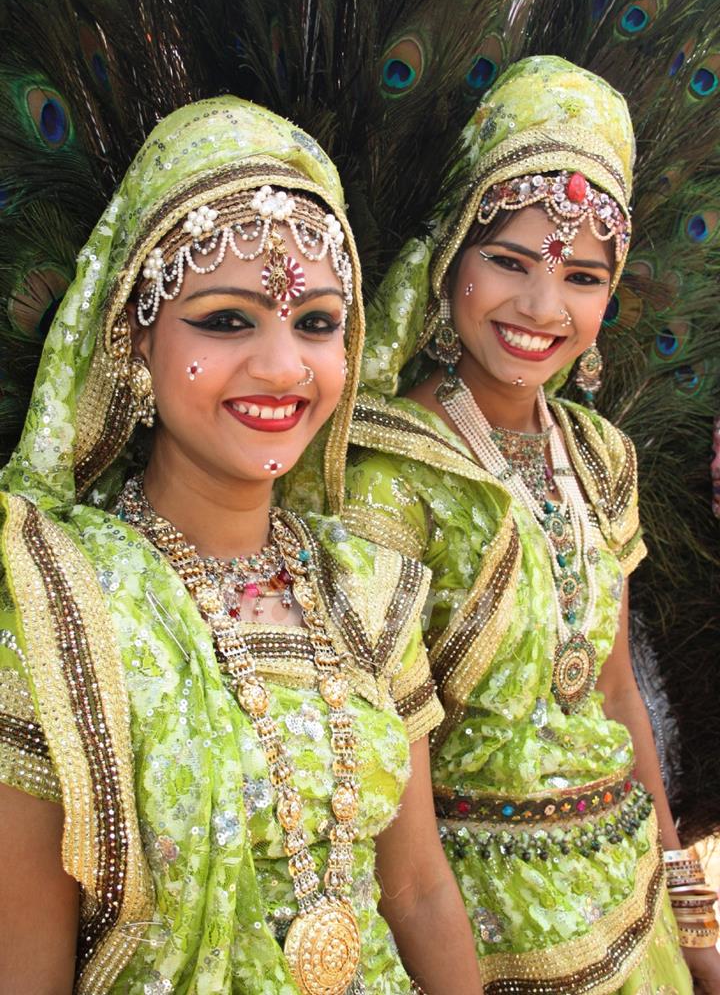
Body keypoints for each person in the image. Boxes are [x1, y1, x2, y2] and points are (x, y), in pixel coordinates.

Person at [0, 97, 483, 994]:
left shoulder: (371, 592)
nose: (282, 367)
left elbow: (416, 890)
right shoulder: (60, 603)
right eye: (226, 320)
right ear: (132, 339)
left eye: (317, 323)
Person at [341, 57, 720, 994]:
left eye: (583, 277)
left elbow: (619, 696)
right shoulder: (389, 479)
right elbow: (391, 788)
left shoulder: (600, 458)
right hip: (479, 938)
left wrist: (694, 919)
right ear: (451, 259)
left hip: (636, 928)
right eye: (509, 260)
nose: (543, 309)